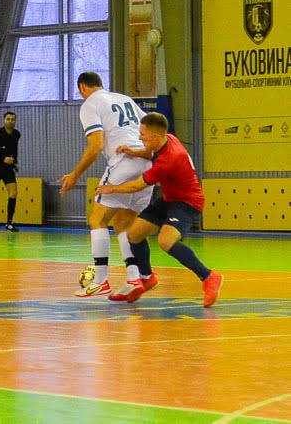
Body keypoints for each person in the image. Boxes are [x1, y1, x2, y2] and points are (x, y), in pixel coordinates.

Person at [95, 112, 223, 307]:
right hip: (168, 199)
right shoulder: (167, 139)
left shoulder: (170, 159)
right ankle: (147, 277)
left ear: (155, 136)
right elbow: (149, 152)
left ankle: (209, 277)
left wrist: (112, 188)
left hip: (187, 203)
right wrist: (134, 151)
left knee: (165, 241)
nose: (140, 138)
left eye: (143, 135)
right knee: (134, 234)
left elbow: (137, 185)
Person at [59, 71, 154, 299]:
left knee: (97, 219)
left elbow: (96, 145)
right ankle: (134, 279)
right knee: (123, 221)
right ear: (102, 84)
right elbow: (152, 129)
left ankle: (100, 280)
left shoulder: (90, 104)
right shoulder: (125, 99)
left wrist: (74, 175)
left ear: (82, 87)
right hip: (147, 164)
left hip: (124, 162)